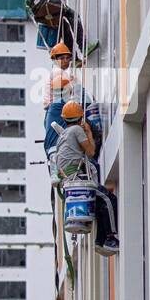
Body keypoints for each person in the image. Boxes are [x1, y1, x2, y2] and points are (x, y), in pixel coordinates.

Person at [56, 100, 119, 255]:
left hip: (68, 181)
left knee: (98, 205)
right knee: (109, 198)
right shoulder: (77, 130)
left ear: (64, 119)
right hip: (77, 179)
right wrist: (89, 133)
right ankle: (110, 238)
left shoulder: (62, 135)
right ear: (80, 117)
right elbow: (91, 152)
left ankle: (100, 241)